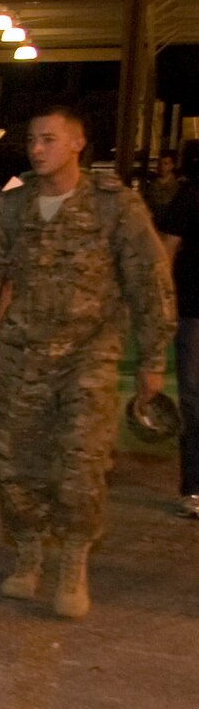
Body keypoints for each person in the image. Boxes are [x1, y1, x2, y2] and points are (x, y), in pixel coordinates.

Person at [0, 106, 176, 618]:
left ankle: (73, 560)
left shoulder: (117, 208)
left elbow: (150, 281)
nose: (36, 149)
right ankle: (29, 557)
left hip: (88, 358)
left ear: (77, 143)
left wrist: (152, 360)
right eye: (31, 140)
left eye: (48, 140)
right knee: (17, 467)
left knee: (81, 465)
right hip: (21, 355)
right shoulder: (9, 209)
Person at [154, 182, 199, 518]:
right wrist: (163, 303)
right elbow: (166, 248)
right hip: (194, 311)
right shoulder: (193, 193)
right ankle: (195, 487)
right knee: (194, 400)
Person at [146, 152, 184, 218]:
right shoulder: (150, 184)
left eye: (165, 163)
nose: (161, 166)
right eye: (159, 163)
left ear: (172, 166)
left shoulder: (178, 186)